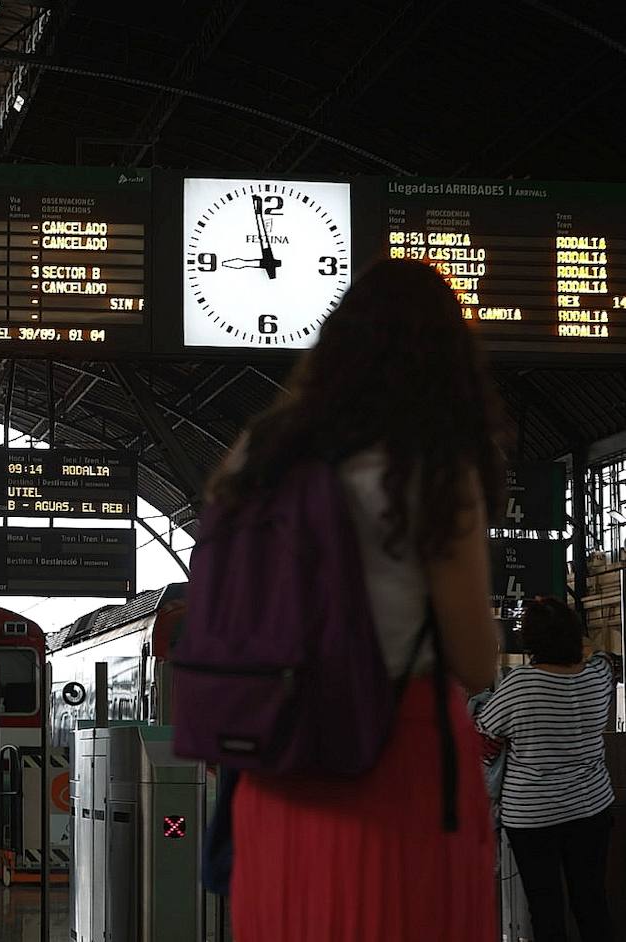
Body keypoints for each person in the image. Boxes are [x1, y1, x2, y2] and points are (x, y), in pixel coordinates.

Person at [209, 259, 504, 940]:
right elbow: (476, 660)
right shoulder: (429, 467)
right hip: (397, 762)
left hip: (277, 765)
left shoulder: (257, 454)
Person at [476, 596, 616, 942]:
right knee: (592, 900)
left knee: (546, 906)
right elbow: (601, 654)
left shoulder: (520, 685)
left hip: (533, 816)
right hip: (592, 807)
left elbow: (482, 739)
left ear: (531, 641)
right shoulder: (598, 676)